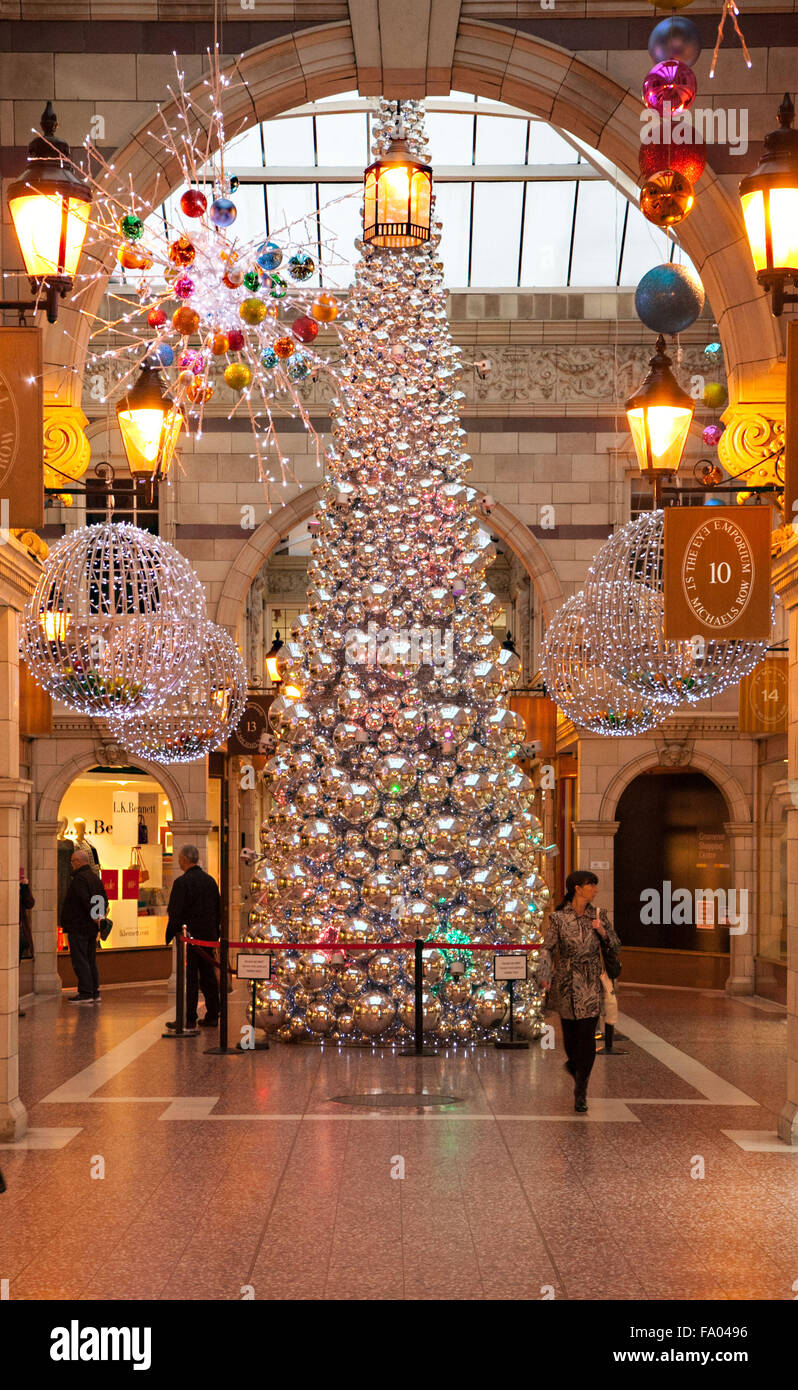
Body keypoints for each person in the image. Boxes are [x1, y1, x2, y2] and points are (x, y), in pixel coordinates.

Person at [538, 870, 621, 1113]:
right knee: (572, 1039)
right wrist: (544, 975)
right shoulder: (558, 919)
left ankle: (581, 1088)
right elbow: (547, 948)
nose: (595, 889)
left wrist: (602, 932)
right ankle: (575, 1065)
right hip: (566, 980)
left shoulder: (599, 915)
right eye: (591, 885)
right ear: (577, 888)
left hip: (591, 980)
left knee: (586, 1035)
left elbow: (616, 944)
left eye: (595, 885)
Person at [165, 845, 221, 1030]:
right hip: (208, 937)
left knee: (190, 978)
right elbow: (218, 909)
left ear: (184, 859)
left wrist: (172, 933)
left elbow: (175, 911)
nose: (178, 861)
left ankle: (189, 1018)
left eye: (179, 858)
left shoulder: (182, 882)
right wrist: (215, 933)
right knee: (208, 976)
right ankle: (213, 1014)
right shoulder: (210, 881)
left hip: (190, 938)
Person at [60, 848, 108, 1004]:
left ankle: (86, 992)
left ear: (80, 862)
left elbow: (84, 900)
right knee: (90, 959)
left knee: (80, 959)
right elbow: (103, 900)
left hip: (79, 926)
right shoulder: (95, 878)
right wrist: (99, 919)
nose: (72, 864)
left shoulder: (80, 879)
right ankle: (94, 991)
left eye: (73, 861)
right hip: (91, 928)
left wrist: (94, 917)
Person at [18, 868, 35, 1019]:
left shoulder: (21, 888)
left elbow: (30, 903)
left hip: (18, 933)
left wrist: (24, 887)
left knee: (14, 969)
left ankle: (14, 1004)